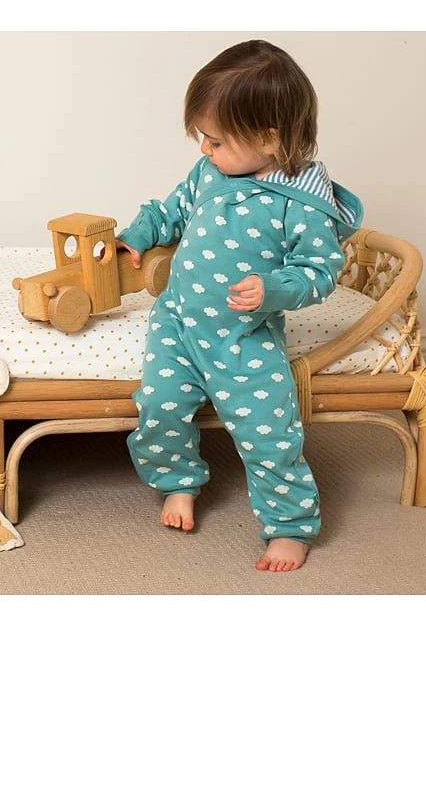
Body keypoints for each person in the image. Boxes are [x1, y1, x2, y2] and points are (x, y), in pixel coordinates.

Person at [116, 40, 363, 572]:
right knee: (158, 405)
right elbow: (172, 211)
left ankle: (290, 526)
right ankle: (177, 482)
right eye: (202, 138)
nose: (205, 149)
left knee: (270, 433)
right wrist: (138, 235)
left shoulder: (301, 204)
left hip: (241, 335)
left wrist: (273, 289)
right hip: (179, 322)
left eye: (216, 140)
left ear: (269, 138)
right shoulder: (209, 173)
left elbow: (319, 273)